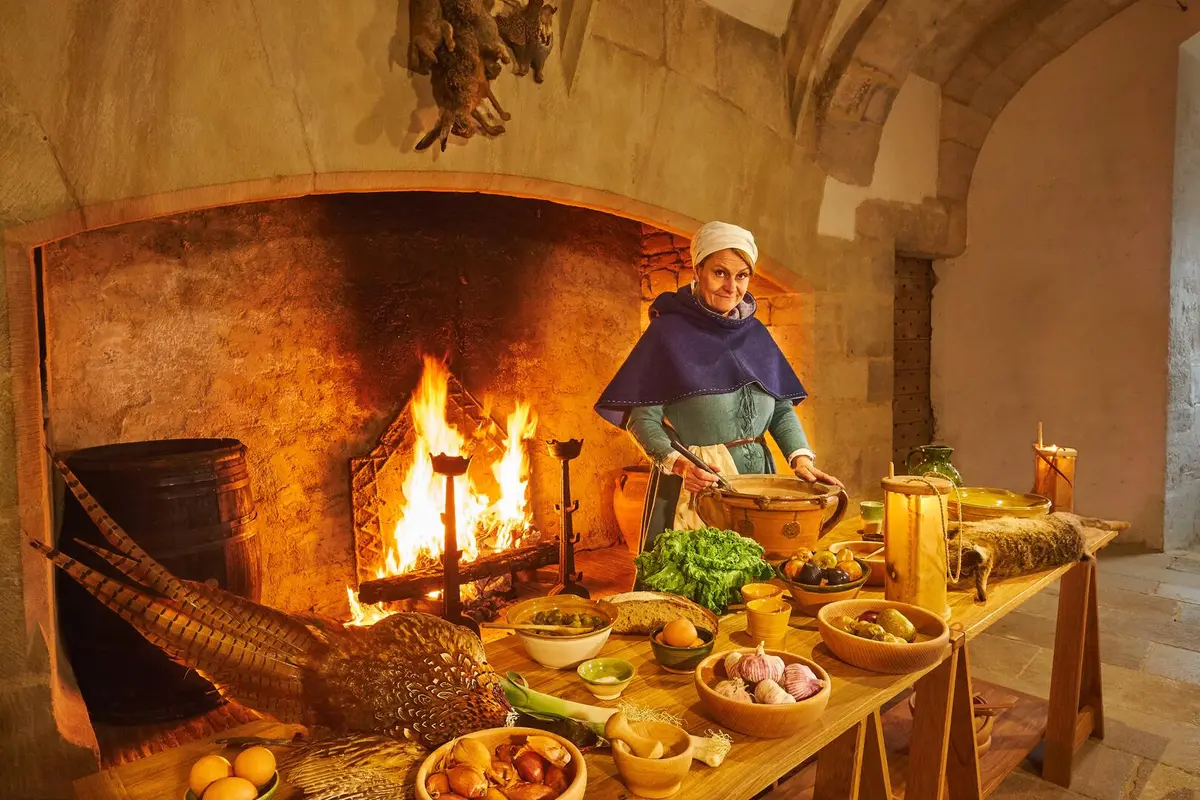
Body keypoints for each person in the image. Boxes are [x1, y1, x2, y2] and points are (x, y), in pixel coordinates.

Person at [595, 220, 842, 551]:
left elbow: (780, 407)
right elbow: (643, 419)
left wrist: (801, 460)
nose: (732, 287)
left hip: (758, 485)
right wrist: (681, 465)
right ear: (697, 270)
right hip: (697, 486)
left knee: (758, 590)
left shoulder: (756, 335)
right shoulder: (666, 334)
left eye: (741, 275)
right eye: (720, 273)